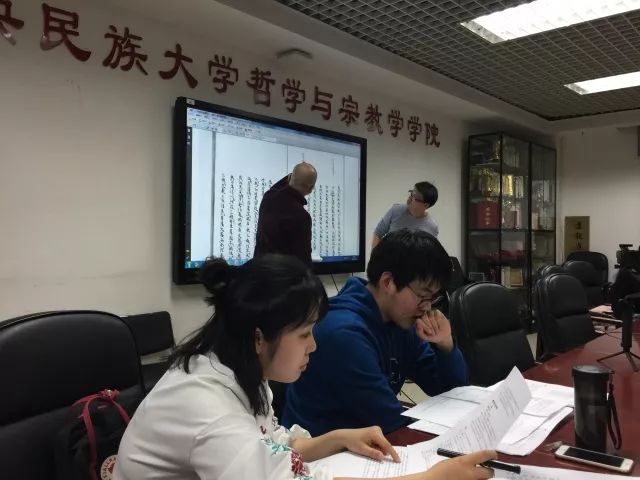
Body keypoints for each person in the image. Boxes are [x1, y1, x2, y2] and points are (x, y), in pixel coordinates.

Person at [114, 254, 495, 480]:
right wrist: (430, 477)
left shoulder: (240, 370)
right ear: (259, 337)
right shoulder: (208, 407)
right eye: (304, 334)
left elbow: (272, 443)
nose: (313, 345)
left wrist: (335, 439)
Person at [283, 230, 468, 436]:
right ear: (387, 282)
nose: (427, 307)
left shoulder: (401, 319)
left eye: (432, 299)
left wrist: (445, 346)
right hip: (321, 450)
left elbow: (453, 393)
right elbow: (389, 422)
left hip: (368, 439)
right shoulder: (343, 335)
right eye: (423, 296)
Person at [254, 162, 317, 265]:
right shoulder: (302, 216)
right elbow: (303, 260)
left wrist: (292, 176)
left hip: (258, 270)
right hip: (282, 274)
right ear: (310, 189)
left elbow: (278, 186)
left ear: (289, 178)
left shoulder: (268, 197)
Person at [372, 182, 439, 249]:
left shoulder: (432, 227)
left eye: (415, 197)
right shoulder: (395, 210)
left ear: (426, 205)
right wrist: (374, 254)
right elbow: (378, 233)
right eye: (411, 193)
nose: (410, 198)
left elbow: (430, 250)